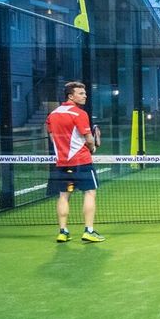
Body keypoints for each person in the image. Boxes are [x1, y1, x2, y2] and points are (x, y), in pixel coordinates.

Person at [46, 81, 104, 243]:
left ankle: (63, 232)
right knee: (90, 193)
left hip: (62, 163)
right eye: (81, 93)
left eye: (85, 93)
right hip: (81, 162)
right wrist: (93, 147)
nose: (85, 96)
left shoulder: (52, 115)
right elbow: (89, 139)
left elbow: (53, 138)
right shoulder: (79, 114)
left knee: (64, 196)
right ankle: (89, 231)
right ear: (70, 96)